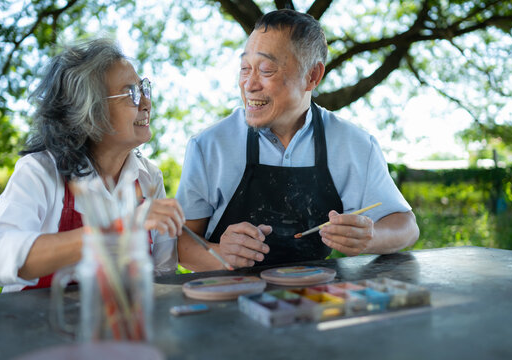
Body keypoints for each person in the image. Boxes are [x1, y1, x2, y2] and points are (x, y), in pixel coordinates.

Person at [176, 9, 419, 271]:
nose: (249, 84)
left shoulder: (354, 144)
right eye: (245, 68)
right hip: (228, 299)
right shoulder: (209, 146)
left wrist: (370, 237)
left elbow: (406, 226)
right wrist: (220, 253)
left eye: (266, 69)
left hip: (316, 300)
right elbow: (180, 243)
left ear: (312, 76)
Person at [0, 38, 185, 292]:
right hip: (40, 328)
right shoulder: (41, 170)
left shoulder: (149, 178)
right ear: (90, 112)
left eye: (144, 88)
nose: (146, 103)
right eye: (131, 93)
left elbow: (160, 277)